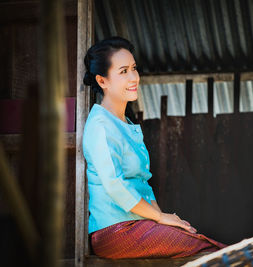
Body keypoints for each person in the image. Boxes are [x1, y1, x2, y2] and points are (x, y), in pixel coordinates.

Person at [82, 37, 227, 259]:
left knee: (205, 245)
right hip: (115, 230)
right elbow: (114, 185)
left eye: (134, 68)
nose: (134, 77)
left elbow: (142, 184)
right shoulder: (100, 125)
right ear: (102, 81)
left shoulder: (125, 124)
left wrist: (161, 217)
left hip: (137, 225)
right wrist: (160, 218)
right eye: (123, 71)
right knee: (212, 252)